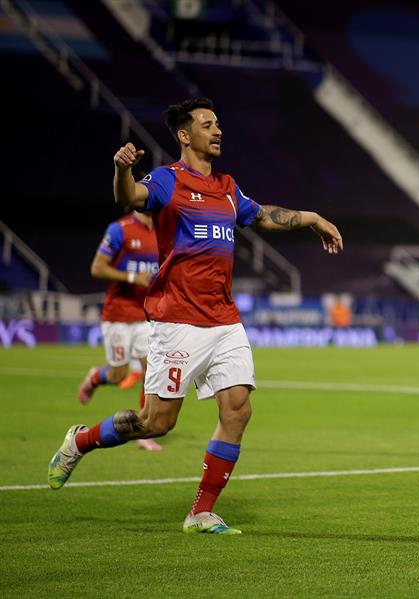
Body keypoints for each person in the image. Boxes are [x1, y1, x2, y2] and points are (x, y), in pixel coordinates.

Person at [48, 98, 343, 536]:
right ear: (185, 135)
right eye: (208, 124)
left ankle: (201, 512)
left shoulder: (227, 186)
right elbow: (128, 196)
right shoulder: (167, 180)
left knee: (238, 410)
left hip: (224, 320)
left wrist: (312, 217)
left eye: (218, 123)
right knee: (157, 422)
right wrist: (122, 169)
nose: (217, 130)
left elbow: (261, 216)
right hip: (177, 321)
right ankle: (80, 441)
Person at [78, 210, 162, 451]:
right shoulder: (120, 229)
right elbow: (97, 268)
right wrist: (134, 277)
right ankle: (95, 377)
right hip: (118, 315)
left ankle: (145, 430)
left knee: (152, 371)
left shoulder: (163, 228)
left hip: (147, 315)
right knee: (118, 375)